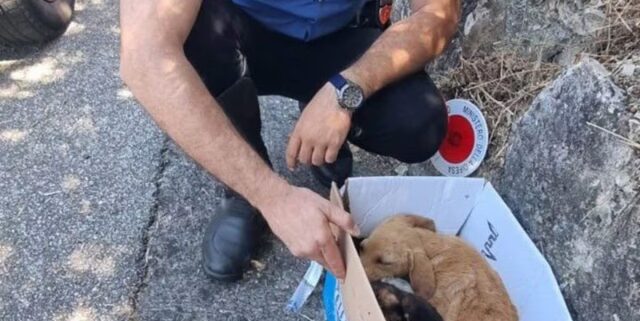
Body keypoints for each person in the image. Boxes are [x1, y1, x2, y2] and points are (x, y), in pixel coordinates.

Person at [119, 0, 459, 282]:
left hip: (345, 33)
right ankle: (242, 193)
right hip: (242, 29)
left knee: (418, 123)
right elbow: (146, 57)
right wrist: (270, 195)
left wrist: (347, 90)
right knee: (193, 42)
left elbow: (439, 14)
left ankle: (321, 114)